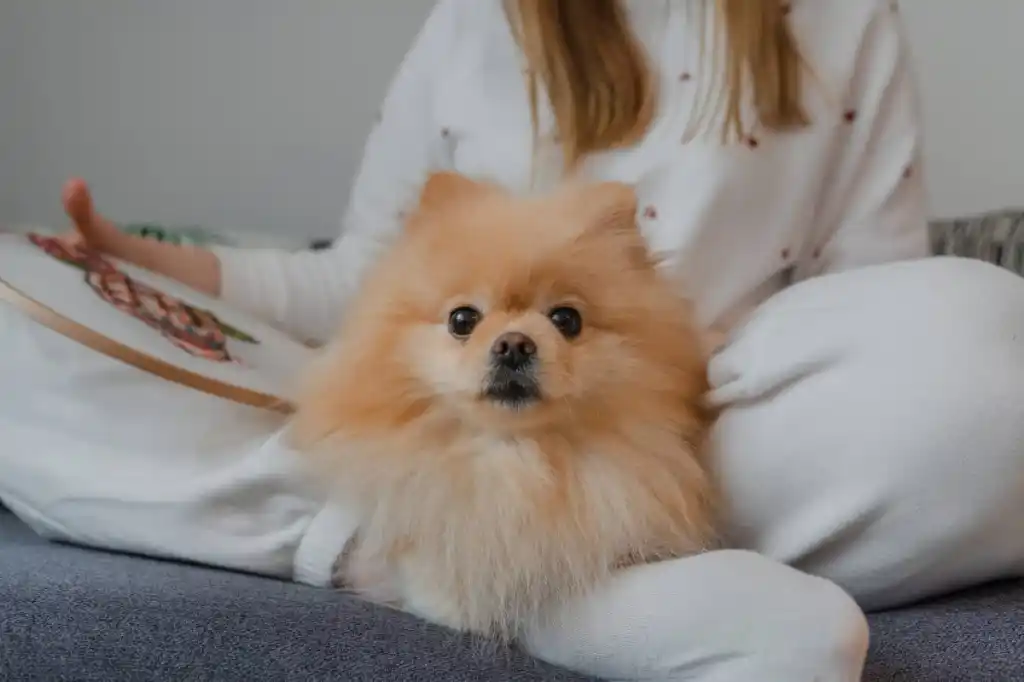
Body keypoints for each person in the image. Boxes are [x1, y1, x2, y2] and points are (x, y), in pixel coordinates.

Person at [3, 0, 1024, 680]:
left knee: (983, 345)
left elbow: (880, 294)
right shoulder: (477, 18)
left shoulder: (843, 19)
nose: (513, 338)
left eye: (548, 321)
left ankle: (558, 563)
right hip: (438, 449)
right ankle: (439, 560)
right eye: (482, 321)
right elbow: (366, 277)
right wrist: (143, 264)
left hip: (717, 427)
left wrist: (728, 344)